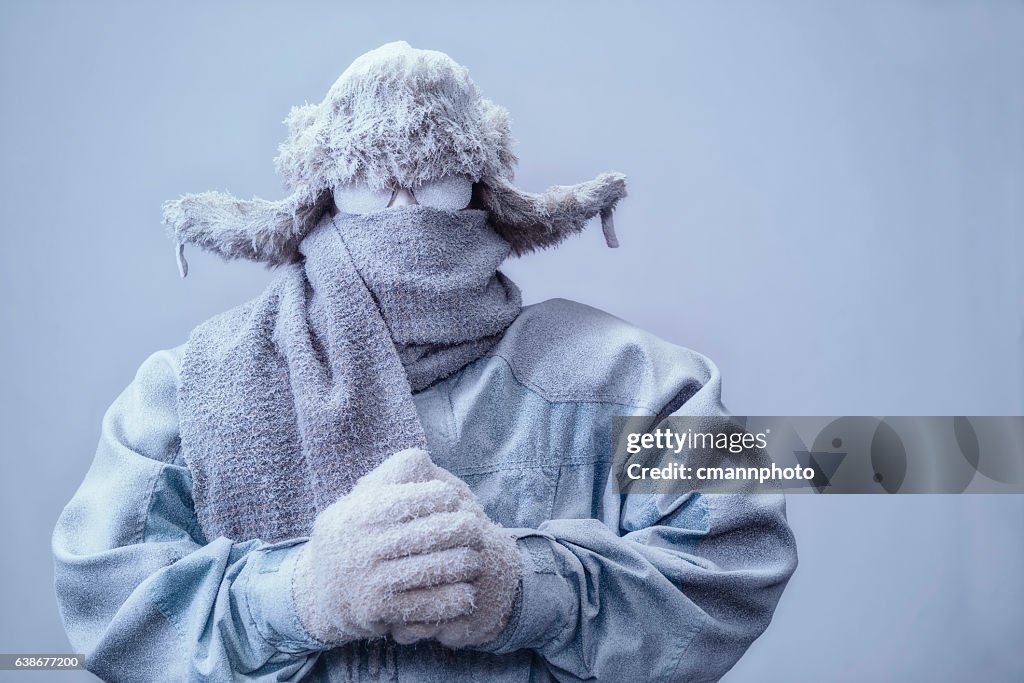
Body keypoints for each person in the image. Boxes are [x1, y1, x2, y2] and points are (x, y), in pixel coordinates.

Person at [53, 42, 798, 682]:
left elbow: (742, 552)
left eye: (431, 173)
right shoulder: (186, 393)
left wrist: (524, 585)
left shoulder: (637, 378)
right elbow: (108, 602)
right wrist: (304, 593)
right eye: (371, 178)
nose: (403, 202)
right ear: (322, 197)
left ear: (481, 189)